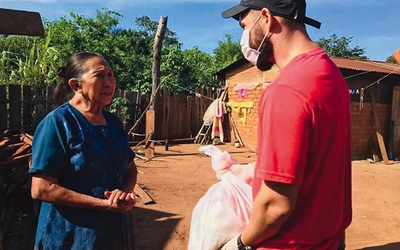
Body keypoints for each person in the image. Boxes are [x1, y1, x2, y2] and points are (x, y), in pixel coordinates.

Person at [221, 0, 352, 249]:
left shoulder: (286, 90)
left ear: (267, 18)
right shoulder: (332, 75)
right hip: (330, 241)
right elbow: (318, 159)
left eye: (245, 25)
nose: (245, 37)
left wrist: (240, 244)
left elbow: (275, 205)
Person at [29, 52, 138, 250]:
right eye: (99, 76)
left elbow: (130, 168)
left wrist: (124, 193)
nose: (108, 82)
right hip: (67, 237)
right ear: (76, 85)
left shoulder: (113, 123)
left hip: (112, 235)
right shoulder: (58, 123)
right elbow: (41, 188)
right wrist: (104, 205)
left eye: (110, 75)